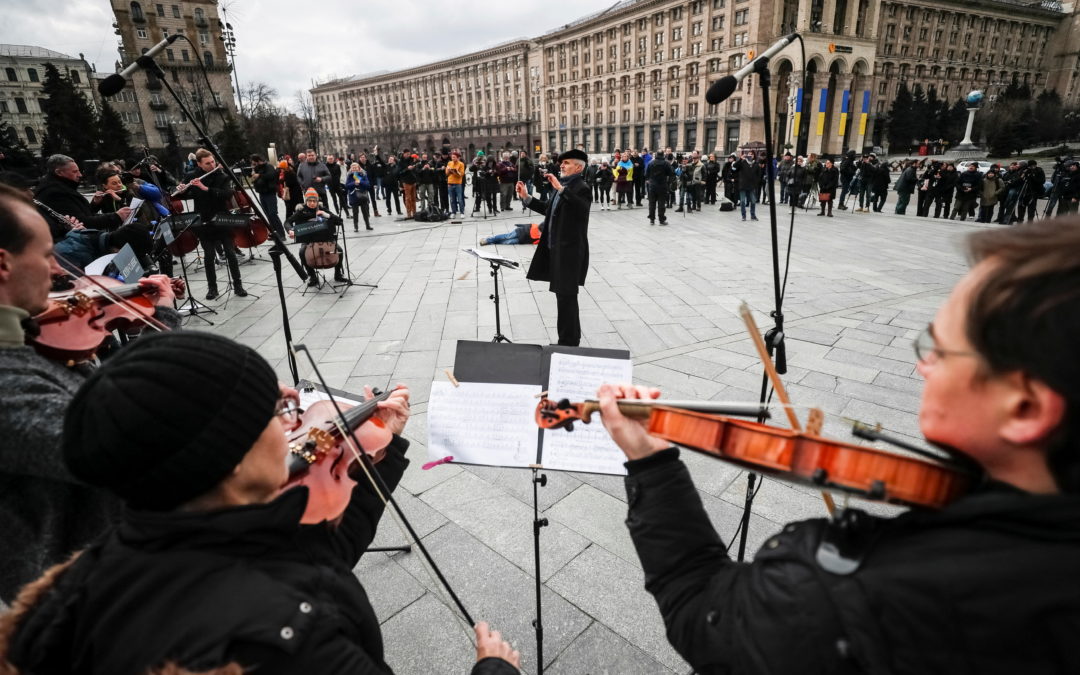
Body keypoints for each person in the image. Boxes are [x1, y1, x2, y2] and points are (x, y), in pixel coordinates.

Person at [596, 217, 1080, 675]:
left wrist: (651, 463)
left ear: (1025, 408)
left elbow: (700, 611)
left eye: (941, 347)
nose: (923, 366)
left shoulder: (852, 600)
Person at [0, 330, 521, 674]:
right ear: (225, 456)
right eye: (279, 412)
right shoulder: (297, 640)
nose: (300, 427)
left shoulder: (110, 562)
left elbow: (320, 554)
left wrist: (378, 448)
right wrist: (494, 669)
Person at [0, 183, 179, 605]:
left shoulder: (27, 341)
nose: (60, 271)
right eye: (46, 256)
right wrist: (165, 323)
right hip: (71, 607)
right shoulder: (10, 381)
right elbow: (122, 438)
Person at [517, 149, 591, 347]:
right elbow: (547, 210)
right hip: (557, 250)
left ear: (578, 167)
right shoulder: (563, 187)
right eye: (562, 163)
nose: (561, 166)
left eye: (566, 163)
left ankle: (568, 341)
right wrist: (527, 198)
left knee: (567, 298)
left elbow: (582, 210)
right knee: (563, 297)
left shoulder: (581, 187)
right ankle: (568, 339)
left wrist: (560, 189)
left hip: (570, 252)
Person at [172, 149, 247, 299]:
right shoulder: (192, 176)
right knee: (209, 255)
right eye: (208, 163)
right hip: (204, 221)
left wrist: (205, 188)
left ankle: (238, 285)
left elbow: (227, 194)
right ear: (199, 164)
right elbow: (185, 195)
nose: (212, 165)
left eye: (213, 161)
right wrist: (181, 191)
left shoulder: (222, 176)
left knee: (231, 253)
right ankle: (212, 288)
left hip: (222, 218)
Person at [34, 155, 133, 240]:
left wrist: (95, 203)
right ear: (59, 172)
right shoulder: (54, 193)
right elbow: (83, 222)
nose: (80, 175)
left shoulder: (62, 187)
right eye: (75, 172)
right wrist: (116, 217)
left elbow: (85, 213)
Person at [286, 188, 347, 284]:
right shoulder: (301, 211)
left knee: (339, 250)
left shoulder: (322, 209)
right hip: (308, 241)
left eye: (314, 201)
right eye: (309, 201)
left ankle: (338, 274)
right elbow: (287, 222)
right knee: (302, 252)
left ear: (317, 201)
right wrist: (290, 230)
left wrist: (326, 215)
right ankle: (312, 276)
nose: (312, 203)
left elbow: (339, 221)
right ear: (306, 201)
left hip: (326, 240)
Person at [252, 155, 284, 239]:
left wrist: (259, 175)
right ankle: (274, 233)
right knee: (268, 215)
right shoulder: (257, 168)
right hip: (262, 193)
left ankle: (281, 234)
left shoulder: (268, 166)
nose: (253, 164)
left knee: (273, 214)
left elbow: (271, 175)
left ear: (258, 160)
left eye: (254, 162)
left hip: (270, 193)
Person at [645, 152, 674, 225]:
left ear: (656, 155)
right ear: (663, 155)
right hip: (662, 185)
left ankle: (652, 219)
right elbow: (671, 173)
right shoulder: (666, 163)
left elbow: (646, 174)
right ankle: (661, 220)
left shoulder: (650, 163)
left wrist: (650, 179)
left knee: (652, 203)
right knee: (661, 203)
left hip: (652, 186)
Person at [345, 162, 373, 232]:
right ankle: (356, 227)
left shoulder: (363, 175)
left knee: (365, 212)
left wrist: (360, 182)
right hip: (354, 196)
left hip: (363, 195)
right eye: (353, 168)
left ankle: (368, 225)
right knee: (355, 212)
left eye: (356, 168)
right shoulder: (349, 176)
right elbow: (347, 186)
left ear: (359, 168)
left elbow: (367, 185)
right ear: (351, 169)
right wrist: (354, 183)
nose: (354, 169)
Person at [733, 151, 760, 221]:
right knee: (742, 201)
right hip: (743, 185)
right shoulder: (742, 162)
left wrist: (756, 183)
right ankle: (743, 215)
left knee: (753, 201)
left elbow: (758, 175)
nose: (750, 155)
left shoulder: (756, 164)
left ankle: (753, 215)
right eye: (749, 154)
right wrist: (740, 159)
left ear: (754, 156)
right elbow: (734, 166)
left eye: (752, 154)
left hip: (751, 186)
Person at [446, 151, 466, 217]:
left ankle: (462, 212)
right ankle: (453, 212)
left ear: (458, 158)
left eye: (454, 157)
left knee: (460, 199)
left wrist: (454, 172)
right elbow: (446, 174)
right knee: (452, 199)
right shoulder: (449, 163)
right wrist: (449, 170)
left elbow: (461, 174)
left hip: (458, 184)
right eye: (452, 157)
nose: (453, 158)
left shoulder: (461, 164)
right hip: (450, 183)